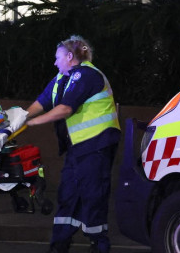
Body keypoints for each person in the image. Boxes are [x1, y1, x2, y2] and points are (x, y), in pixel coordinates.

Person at [25, 35, 120, 253]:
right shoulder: (61, 79)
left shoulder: (86, 75)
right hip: (78, 149)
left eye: (58, 57)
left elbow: (66, 108)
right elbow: (41, 102)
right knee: (67, 195)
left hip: (96, 146)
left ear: (70, 56)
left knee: (92, 196)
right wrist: (16, 120)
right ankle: (60, 245)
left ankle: (99, 245)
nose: (55, 62)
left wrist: (33, 123)